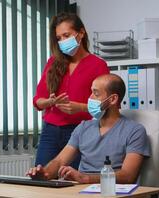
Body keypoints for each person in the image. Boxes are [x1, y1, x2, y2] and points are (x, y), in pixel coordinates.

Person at [27, 74, 151, 184]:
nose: (90, 98)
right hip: (80, 192)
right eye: (91, 92)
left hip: (112, 192)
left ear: (113, 99)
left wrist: (84, 178)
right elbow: (60, 161)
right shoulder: (83, 127)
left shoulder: (135, 131)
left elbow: (128, 176)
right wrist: (45, 173)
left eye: (96, 93)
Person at [33, 13, 109, 169]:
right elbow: (38, 101)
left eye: (66, 35)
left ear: (81, 33)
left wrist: (79, 108)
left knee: (72, 183)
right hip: (50, 132)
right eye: (59, 38)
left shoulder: (98, 65)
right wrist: (50, 102)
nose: (62, 41)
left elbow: (106, 106)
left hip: (81, 132)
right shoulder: (53, 62)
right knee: (40, 179)